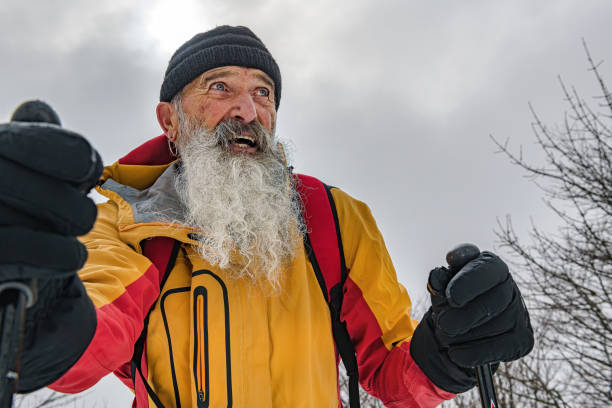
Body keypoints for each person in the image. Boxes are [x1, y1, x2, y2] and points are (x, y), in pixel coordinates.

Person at [0, 26, 533, 407]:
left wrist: (452, 347)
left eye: (263, 92)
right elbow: (91, 334)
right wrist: (36, 316)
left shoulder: (333, 217)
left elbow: (391, 373)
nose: (247, 111)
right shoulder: (128, 222)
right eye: (220, 87)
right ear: (170, 119)